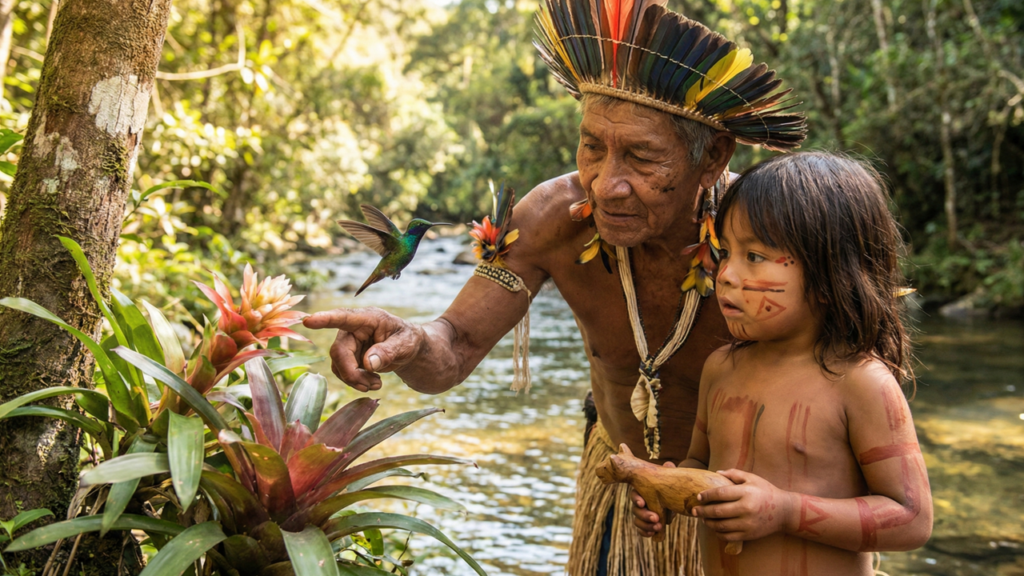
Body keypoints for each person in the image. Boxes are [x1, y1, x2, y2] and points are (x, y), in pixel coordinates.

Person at [302, 0, 806, 573]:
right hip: (620, 497)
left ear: (713, 157)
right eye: (592, 146)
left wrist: (798, 509)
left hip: (753, 513)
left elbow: (855, 383)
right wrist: (412, 340)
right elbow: (455, 348)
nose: (606, 184)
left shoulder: (772, 235)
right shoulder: (550, 218)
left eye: (640, 156)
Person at [634, 152, 933, 576]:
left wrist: (784, 511)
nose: (727, 275)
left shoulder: (859, 382)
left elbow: (913, 519)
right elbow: (699, 465)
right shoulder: (721, 369)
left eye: (754, 257)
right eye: (726, 252)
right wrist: (669, 493)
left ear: (830, 276)